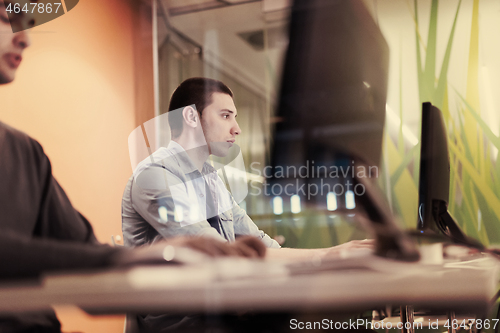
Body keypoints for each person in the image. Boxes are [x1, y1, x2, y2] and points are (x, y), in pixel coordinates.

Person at [0, 2, 265, 332]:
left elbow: (89, 267)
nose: (25, 38)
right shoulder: (155, 174)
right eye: (4, 16)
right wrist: (127, 259)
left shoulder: (25, 153)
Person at [122, 77, 372, 261]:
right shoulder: (154, 175)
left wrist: (333, 253)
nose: (237, 128)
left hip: (221, 313)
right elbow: (217, 252)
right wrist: (329, 256)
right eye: (225, 115)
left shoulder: (211, 180)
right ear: (190, 117)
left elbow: (264, 246)